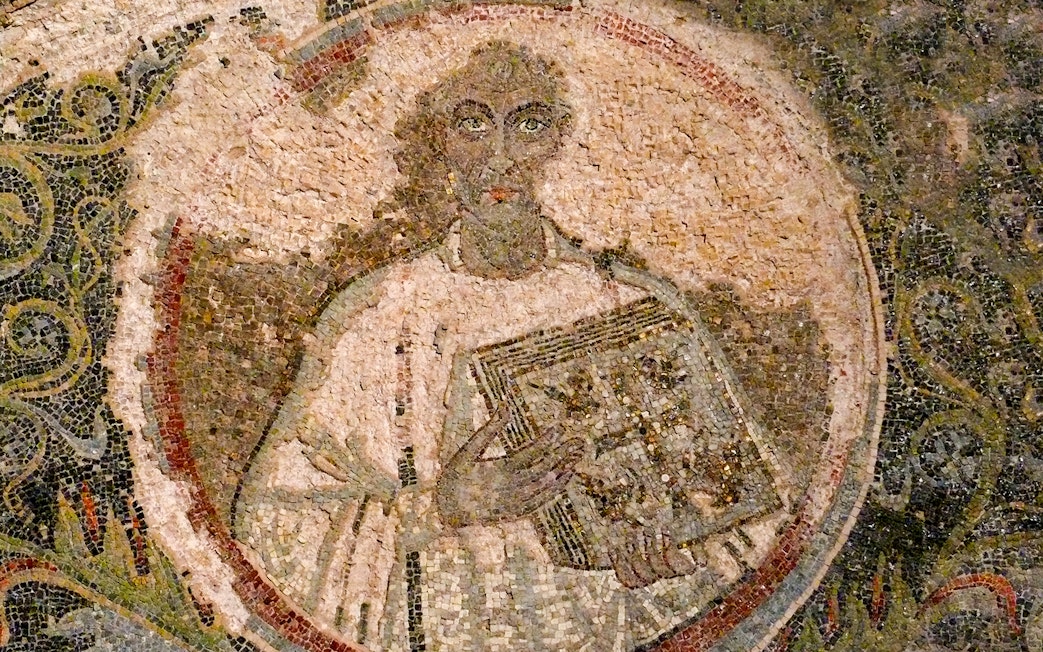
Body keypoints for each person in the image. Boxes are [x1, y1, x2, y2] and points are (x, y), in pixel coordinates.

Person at [233, 41, 791, 651]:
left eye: (529, 125)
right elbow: (271, 531)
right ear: (438, 140)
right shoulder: (373, 318)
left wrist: (671, 567)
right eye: (474, 124)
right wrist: (439, 507)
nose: (499, 158)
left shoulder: (633, 308)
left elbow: (756, 535)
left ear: (559, 143)